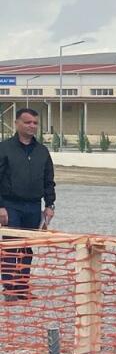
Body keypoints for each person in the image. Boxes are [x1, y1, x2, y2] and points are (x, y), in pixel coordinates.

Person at [0, 108, 56, 301]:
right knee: (11, 246)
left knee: (27, 248)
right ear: (17, 123)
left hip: (33, 206)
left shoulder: (42, 151)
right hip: (10, 205)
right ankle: (9, 289)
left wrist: (50, 205)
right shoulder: (4, 148)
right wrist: (1, 206)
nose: (32, 126)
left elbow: (49, 180)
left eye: (35, 123)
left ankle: (22, 288)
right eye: (27, 122)